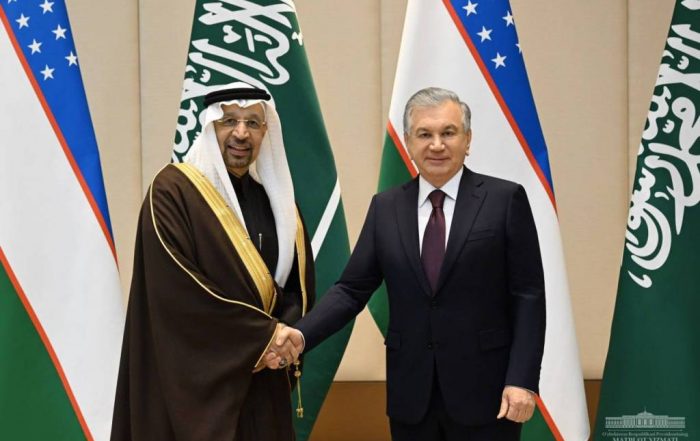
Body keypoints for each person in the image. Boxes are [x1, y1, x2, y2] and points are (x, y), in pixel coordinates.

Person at [277, 87, 546, 441]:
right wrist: (301, 334)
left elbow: (528, 295)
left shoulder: (504, 200)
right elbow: (351, 289)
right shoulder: (386, 208)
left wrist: (522, 380)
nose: (437, 145)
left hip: (488, 394)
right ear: (407, 142)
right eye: (424, 134)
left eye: (448, 132)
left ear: (467, 140)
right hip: (412, 396)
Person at [111, 83, 314, 441]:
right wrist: (262, 338)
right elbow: (178, 292)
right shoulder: (173, 193)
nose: (241, 133)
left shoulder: (278, 206)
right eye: (229, 121)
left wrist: (281, 342)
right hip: (192, 390)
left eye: (253, 123)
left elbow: (298, 287)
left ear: (266, 131)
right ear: (209, 126)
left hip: (263, 385)